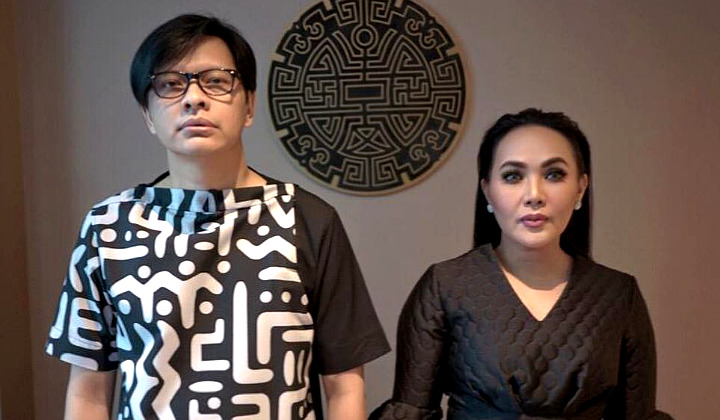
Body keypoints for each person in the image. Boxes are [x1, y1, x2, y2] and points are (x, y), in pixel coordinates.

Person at [46, 14, 389, 420]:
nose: (194, 98)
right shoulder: (108, 227)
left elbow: (344, 385)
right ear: (147, 115)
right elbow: (88, 391)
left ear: (249, 105)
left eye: (216, 80)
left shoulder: (307, 219)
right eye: (170, 84)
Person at [371, 109, 673, 419]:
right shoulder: (444, 286)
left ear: (580, 188)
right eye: (513, 176)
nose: (534, 195)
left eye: (553, 174)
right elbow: (412, 412)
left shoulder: (618, 294)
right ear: (487, 190)